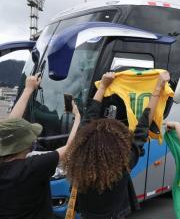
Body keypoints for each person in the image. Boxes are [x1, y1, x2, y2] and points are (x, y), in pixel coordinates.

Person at [63, 71, 170, 219]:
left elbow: (87, 121)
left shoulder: (80, 156)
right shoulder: (123, 162)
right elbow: (143, 127)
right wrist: (158, 88)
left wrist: (102, 87)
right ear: (118, 144)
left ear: (86, 140)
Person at [0, 74, 81, 219]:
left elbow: (10, 128)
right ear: (27, 146)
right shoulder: (32, 167)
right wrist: (78, 117)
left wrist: (28, 89)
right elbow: (70, 147)